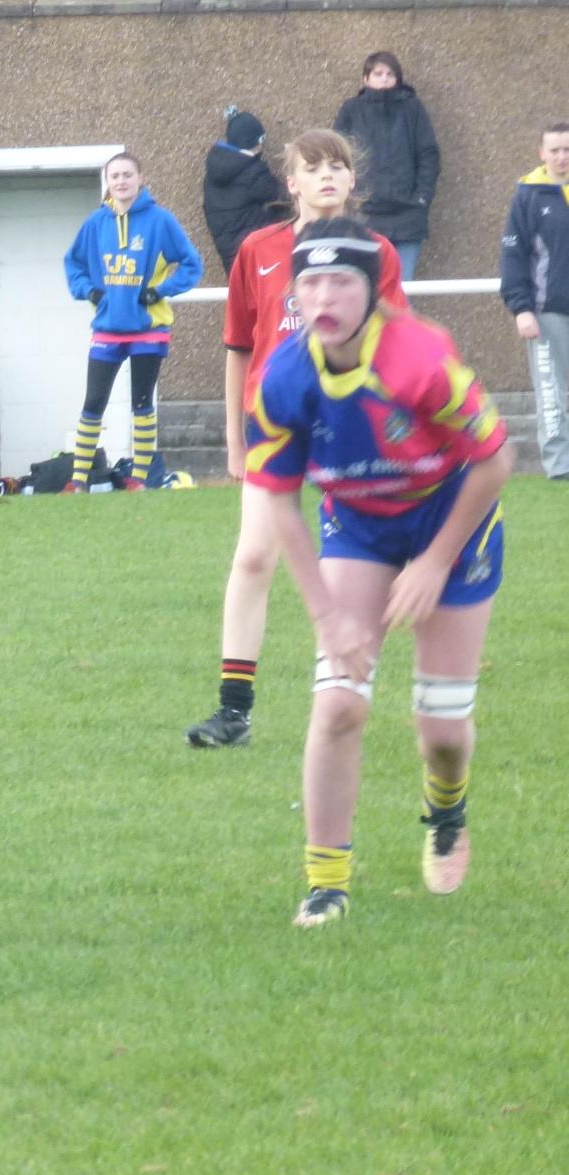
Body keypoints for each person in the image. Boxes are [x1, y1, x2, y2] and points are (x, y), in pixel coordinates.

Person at [243, 218, 509, 927]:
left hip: (450, 520)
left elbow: (494, 459)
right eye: (310, 282)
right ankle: (326, 882)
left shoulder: (420, 358)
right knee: (337, 704)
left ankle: (445, 808)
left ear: (374, 291)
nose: (323, 295)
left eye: (341, 281)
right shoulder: (286, 375)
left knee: (442, 730)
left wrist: (434, 561)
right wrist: (327, 616)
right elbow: (277, 497)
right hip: (358, 527)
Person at [188, 129, 408, 749]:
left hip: (351, 430)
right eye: (314, 168)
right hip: (275, 426)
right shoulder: (257, 250)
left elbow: (396, 346)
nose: (328, 176)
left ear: (352, 179)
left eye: (338, 165)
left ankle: (340, 704)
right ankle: (234, 712)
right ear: (292, 183)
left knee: (350, 571)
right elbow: (237, 351)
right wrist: (234, 438)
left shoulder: (377, 252)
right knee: (254, 556)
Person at [62, 151, 203, 493]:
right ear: (107, 183)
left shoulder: (160, 220)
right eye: (115, 176)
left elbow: (191, 264)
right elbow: (73, 264)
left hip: (149, 330)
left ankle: (139, 479)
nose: (121, 181)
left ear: (140, 179)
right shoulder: (95, 223)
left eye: (128, 175)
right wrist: (90, 293)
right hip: (107, 329)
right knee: (93, 402)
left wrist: (160, 291)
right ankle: (77, 482)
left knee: (142, 404)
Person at [498, 120, 569, 482]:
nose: (562, 157)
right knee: (553, 391)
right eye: (555, 150)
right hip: (547, 310)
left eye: (567, 149)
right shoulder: (528, 196)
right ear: (542, 153)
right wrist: (521, 308)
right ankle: (560, 467)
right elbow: (513, 256)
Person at [332, 51, 440, 280]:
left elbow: (428, 154)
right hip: (365, 216)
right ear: (366, 78)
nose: (384, 79)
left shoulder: (413, 108)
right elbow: (336, 155)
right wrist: (350, 197)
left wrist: (422, 197)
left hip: (408, 215)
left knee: (402, 291)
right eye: (378, 73)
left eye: (390, 74)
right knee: (365, 291)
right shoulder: (351, 110)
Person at [202, 107, 281, 275]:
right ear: (256, 141)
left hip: (232, 258)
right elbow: (279, 193)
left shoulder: (213, 172)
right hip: (258, 253)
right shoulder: (252, 170)